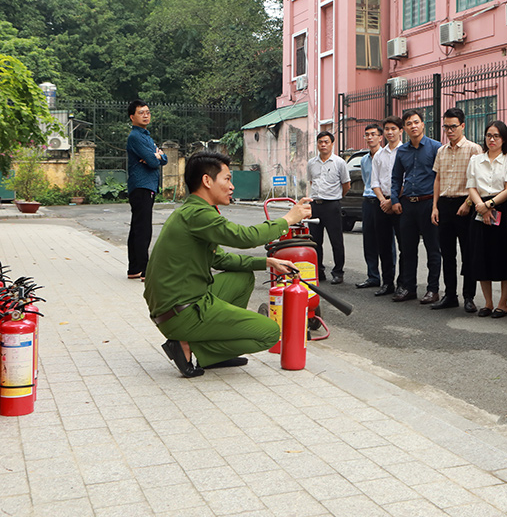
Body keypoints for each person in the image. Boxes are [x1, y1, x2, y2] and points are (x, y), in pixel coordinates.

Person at [143, 151, 311, 377]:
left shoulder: (192, 211)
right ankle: (191, 346)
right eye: (227, 179)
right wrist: (288, 219)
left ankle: (214, 353)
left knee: (242, 277)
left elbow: (220, 258)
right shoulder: (198, 214)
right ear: (207, 181)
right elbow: (244, 237)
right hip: (181, 311)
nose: (232, 186)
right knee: (270, 333)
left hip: (176, 304)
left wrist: (267, 262)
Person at [466, 121, 507, 318]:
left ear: (504, 139)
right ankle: (488, 303)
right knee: (481, 256)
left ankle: (502, 304)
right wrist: (480, 207)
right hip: (479, 208)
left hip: (501, 209)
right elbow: (471, 186)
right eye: (489, 135)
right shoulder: (476, 160)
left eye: (496, 136)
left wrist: (488, 206)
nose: (492, 139)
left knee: (504, 256)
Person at [431, 108, 482, 311]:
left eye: (453, 126)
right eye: (446, 127)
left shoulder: (473, 149)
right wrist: (434, 206)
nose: (449, 131)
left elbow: (479, 180)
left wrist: (468, 203)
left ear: (462, 125)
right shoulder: (441, 151)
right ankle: (450, 294)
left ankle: (469, 296)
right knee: (447, 253)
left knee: (468, 253)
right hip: (445, 204)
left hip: (466, 204)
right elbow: (437, 179)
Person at [390, 109, 443, 302]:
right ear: (404, 128)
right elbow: (396, 178)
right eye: (409, 123)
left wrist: (437, 205)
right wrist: (395, 200)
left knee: (432, 249)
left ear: (423, 124)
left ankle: (433, 289)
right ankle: (409, 287)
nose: (413, 126)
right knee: (408, 249)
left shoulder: (436, 148)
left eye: (416, 122)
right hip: (407, 206)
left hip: (428, 203)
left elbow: (440, 177)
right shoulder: (402, 151)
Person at [126, 99, 168, 281]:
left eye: (148, 112)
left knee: (137, 227)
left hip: (145, 186)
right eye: (141, 112)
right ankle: (144, 270)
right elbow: (153, 162)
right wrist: (155, 156)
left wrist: (157, 155)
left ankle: (134, 268)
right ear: (132, 116)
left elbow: (163, 159)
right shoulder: (135, 136)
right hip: (142, 186)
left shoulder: (146, 136)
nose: (145, 115)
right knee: (142, 228)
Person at [307, 131, 350, 284]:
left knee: (336, 241)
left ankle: (338, 272)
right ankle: (318, 271)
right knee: (314, 241)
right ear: (317, 144)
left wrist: (336, 197)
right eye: (320, 142)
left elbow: (346, 185)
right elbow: (312, 182)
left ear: (332, 144)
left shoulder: (339, 163)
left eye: (326, 142)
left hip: (332, 206)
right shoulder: (311, 163)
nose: (323, 145)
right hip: (315, 206)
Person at [370, 116, 404, 297]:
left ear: (400, 131)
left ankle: (402, 283)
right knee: (383, 245)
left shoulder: (405, 151)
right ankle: (387, 282)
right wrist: (383, 200)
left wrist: (393, 200)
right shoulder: (379, 155)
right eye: (387, 129)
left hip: (399, 203)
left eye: (393, 129)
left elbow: (406, 179)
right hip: (381, 203)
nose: (390, 132)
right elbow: (374, 181)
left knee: (404, 245)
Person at [357, 124, 390, 290]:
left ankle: (388, 279)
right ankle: (372, 276)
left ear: (380, 137)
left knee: (386, 241)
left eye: (373, 134)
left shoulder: (386, 156)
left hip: (383, 201)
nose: (370, 138)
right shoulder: (364, 160)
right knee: (368, 240)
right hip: (368, 201)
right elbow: (367, 180)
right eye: (367, 135)